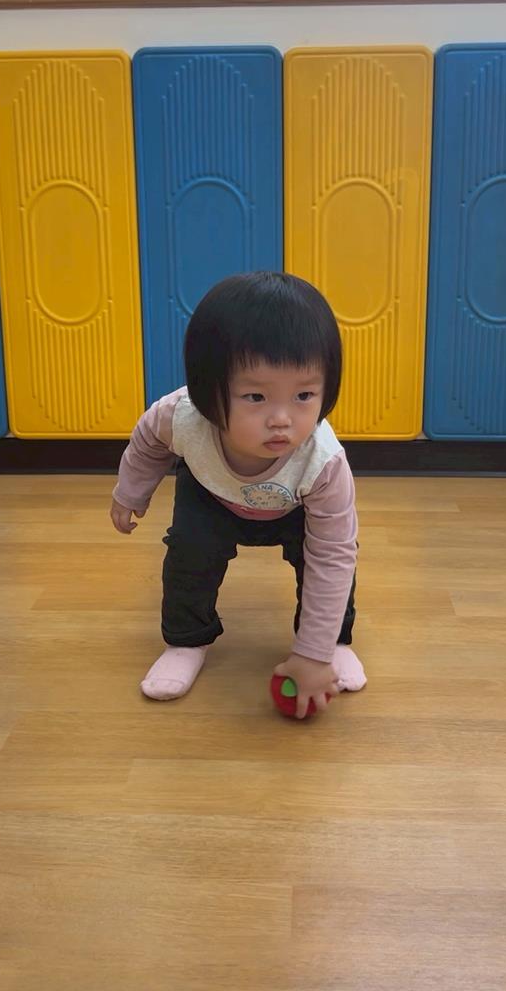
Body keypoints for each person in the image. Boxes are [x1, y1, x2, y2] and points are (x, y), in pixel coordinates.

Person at [110, 271, 366, 719]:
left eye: (304, 394)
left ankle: (335, 642)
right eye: (255, 397)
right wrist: (132, 491)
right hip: (211, 493)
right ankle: (186, 642)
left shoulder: (323, 462)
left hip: (295, 508)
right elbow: (147, 443)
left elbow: (333, 556)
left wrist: (313, 654)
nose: (282, 419)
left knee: (328, 564)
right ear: (207, 390)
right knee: (189, 556)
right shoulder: (179, 416)